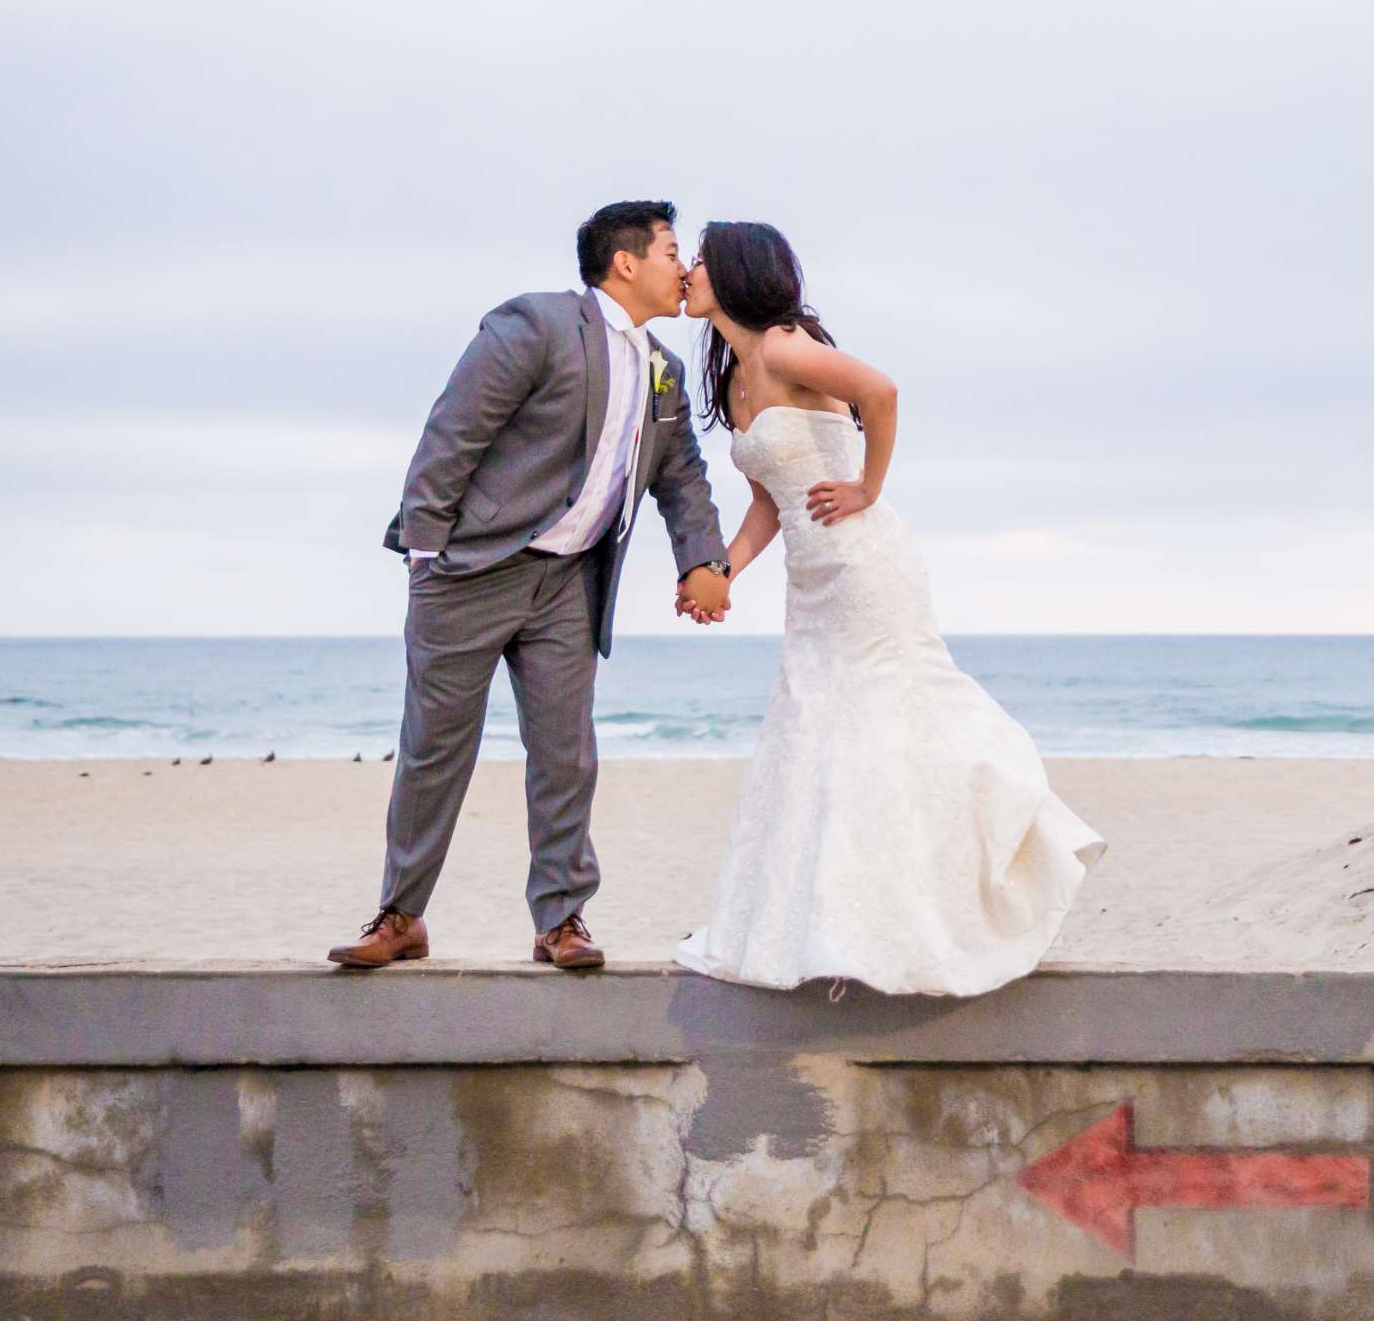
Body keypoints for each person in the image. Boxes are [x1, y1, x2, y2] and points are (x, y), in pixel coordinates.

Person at [672, 221, 1104, 996]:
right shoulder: (737, 378)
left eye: (700, 258)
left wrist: (869, 486)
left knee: (888, 719)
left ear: (735, 271)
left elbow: (882, 389)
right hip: (813, 580)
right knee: (818, 730)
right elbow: (769, 505)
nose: (689, 270)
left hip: (867, 564)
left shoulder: (782, 346)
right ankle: (835, 928)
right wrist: (723, 572)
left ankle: (984, 867)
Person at [329, 200, 731, 971]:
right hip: (470, 570)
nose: (684, 268)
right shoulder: (537, 325)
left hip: (569, 584)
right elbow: (453, 433)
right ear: (626, 261)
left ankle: (562, 921)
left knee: (566, 753)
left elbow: (682, 478)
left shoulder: (664, 371)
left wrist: (701, 560)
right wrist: (424, 555)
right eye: (674, 250)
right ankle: (401, 915)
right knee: (435, 749)